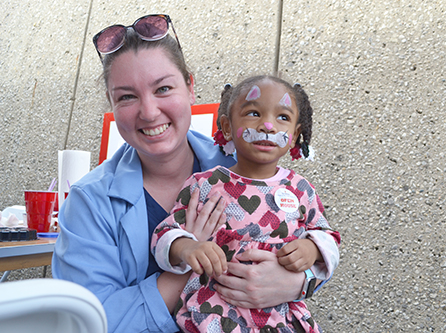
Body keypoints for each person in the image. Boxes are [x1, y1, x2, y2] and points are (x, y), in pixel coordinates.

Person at [52, 14, 333, 333]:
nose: (148, 111)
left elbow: (308, 240)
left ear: (190, 88)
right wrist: (189, 259)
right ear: (112, 104)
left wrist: (297, 281)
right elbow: (86, 322)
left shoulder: (246, 165)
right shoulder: (89, 201)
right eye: (127, 96)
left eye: (163, 88)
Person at [151, 75, 341, 332]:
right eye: (253, 113)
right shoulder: (205, 184)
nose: (267, 125)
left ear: (296, 135)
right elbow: (164, 234)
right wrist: (186, 248)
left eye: (283, 117)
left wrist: (313, 249)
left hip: (281, 318)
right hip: (213, 315)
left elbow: (327, 237)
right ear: (227, 127)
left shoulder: (300, 189)